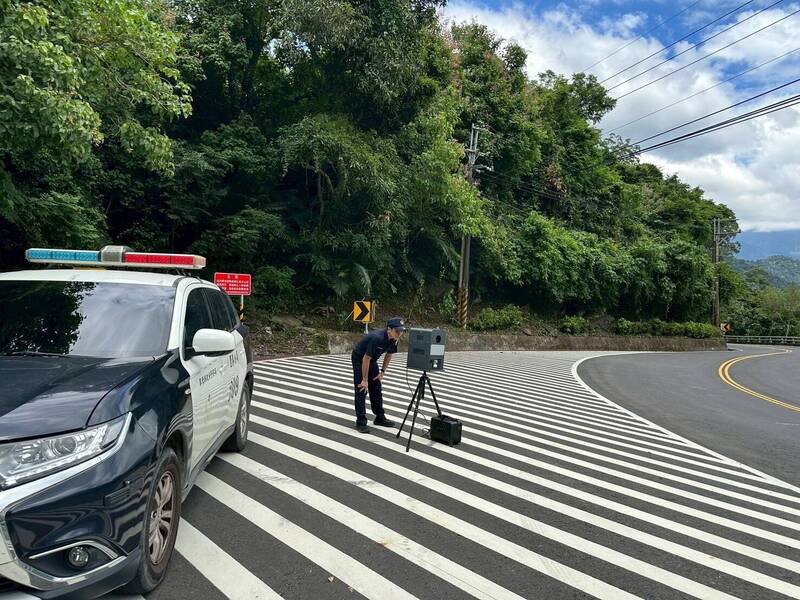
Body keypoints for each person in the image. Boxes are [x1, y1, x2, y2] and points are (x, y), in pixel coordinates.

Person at [351, 316, 406, 433]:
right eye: (397, 331)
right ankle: (361, 422)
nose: (399, 334)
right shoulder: (377, 338)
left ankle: (379, 417)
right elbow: (366, 358)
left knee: (376, 387)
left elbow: (389, 354)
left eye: (401, 331)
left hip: (372, 360)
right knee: (361, 388)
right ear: (389, 329)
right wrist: (365, 380)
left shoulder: (394, 339)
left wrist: (382, 372)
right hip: (360, 358)